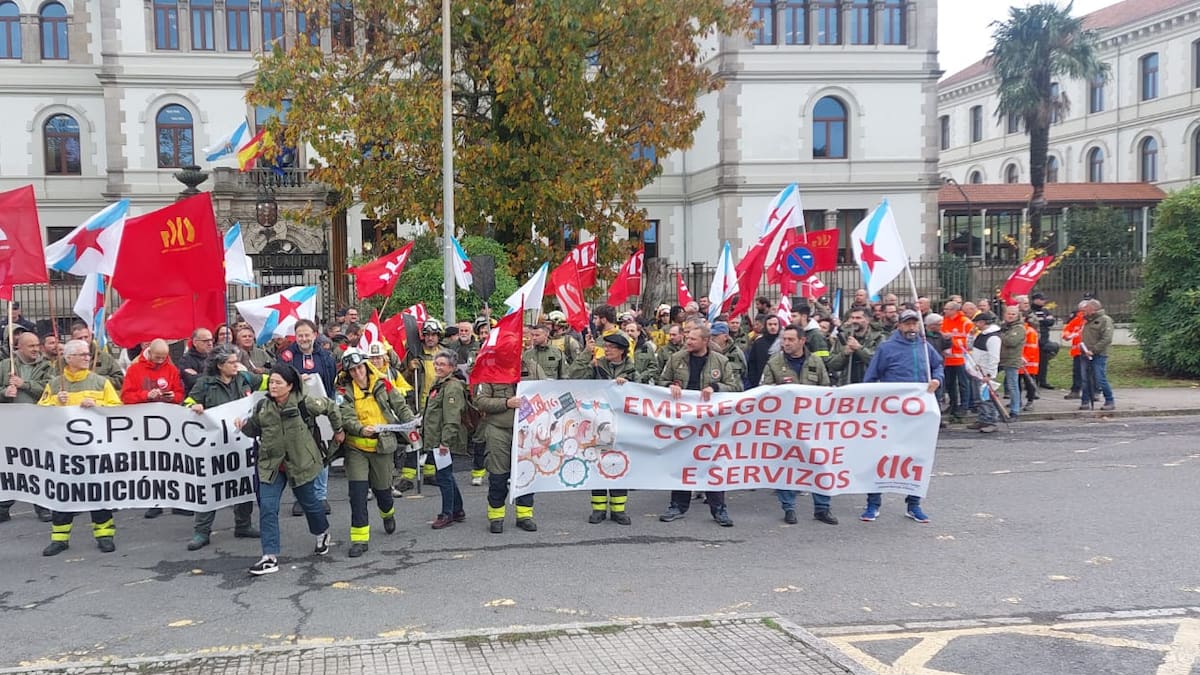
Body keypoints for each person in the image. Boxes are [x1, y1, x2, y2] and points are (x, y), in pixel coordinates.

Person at [237, 363, 344, 576]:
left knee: (310, 504)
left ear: (290, 386)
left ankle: (322, 532)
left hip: (300, 463)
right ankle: (269, 557)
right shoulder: (263, 407)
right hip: (271, 464)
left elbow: (331, 407)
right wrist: (244, 426)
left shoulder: (305, 403)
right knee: (267, 507)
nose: (273, 386)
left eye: (278, 382)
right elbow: (254, 430)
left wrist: (338, 430)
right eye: (272, 382)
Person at [38, 339, 122, 556]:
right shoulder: (56, 384)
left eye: (88, 354)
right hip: (65, 451)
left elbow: (118, 410)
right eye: (83, 354)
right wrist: (56, 402)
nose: (88, 357)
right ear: (69, 358)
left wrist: (98, 406)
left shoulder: (100, 382)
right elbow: (39, 413)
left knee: (98, 493)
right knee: (63, 494)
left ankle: (104, 536)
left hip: (94, 450)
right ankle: (60, 539)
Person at [859, 310, 943, 523]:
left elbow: (938, 366)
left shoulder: (925, 347)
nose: (912, 328)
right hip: (891, 416)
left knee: (917, 458)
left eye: (915, 324)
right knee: (880, 457)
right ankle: (873, 503)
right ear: (899, 326)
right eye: (908, 324)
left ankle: (914, 504)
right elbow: (871, 378)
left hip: (919, 415)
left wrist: (937, 380)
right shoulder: (887, 348)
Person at [183, 344, 266, 549]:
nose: (237, 365)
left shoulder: (244, 379)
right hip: (215, 447)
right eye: (232, 362)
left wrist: (297, 378)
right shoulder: (205, 384)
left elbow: (267, 382)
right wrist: (193, 406)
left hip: (241, 443)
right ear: (220, 365)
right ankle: (202, 531)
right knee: (210, 486)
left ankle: (243, 524)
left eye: (237, 361)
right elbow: (186, 404)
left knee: (243, 483)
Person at [658, 324, 742, 526]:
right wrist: (671, 386)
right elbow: (661, 381)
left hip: (710, 423)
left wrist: (715, 387)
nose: (688, 341)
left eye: (693, 339)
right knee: (682, 462)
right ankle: (677, 505)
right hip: (683, 421)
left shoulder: (720, 362)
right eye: (687, 337)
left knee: (713, 463)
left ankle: (719, 509)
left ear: (705, 341)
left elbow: (735, 387)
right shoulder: (676, 359)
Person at [337, 348, 415, 557]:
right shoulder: (344, 392)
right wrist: (361, 429)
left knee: (383, 492)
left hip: (382, 447)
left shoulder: (383, 383)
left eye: (359, 367)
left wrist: (411, 424)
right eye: (352, 370)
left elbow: (400, 405)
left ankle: (387, 513)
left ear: (366, 366)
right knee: (358, 494)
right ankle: (360, 539)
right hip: (356, 448)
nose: (357, 373)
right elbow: (345, 417)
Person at [759, 325, 838, 526]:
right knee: (787, 465)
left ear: (802, 341)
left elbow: (825, 389)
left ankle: (822, 508)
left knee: (819, 463)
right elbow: (763, 391)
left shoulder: (815, 362)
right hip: (785, 425)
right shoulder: (774, 363)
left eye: (791, 339)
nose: (786, 343)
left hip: (812, 424)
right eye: (784, 339)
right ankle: (789, 508)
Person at [568, 332, 639, 525]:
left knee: (619, 464)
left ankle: (619, 510)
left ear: (622, 351)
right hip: (597, 424)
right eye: (605, 346)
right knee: (597, 464)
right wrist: (585, 359)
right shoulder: (597, 364)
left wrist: (628, 385)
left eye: (611, 347)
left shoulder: (632, 369)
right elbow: (572, 376)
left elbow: (642, 394)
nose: (606, 349)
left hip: (621, 425)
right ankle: (598, 509)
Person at [476, 354, 545, 533]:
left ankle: (524, 516)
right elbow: (480, 401)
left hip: (526, 431)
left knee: (526, 473)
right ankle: (496, 517)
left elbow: (547, 390)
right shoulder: (490, 370)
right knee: (498, 476)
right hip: (499, 429)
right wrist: (506, 402)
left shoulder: (533, 367)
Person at [120, 338, 187, 519]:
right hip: (144, 424)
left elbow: (180, 393)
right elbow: (126, 396)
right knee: (151, 464)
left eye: (163, 358)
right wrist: (146, 395)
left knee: (172, 463)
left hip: (167, 423)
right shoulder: (135, 369)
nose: (160, 361)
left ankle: (176, 501)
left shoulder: (171, 369)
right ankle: (154, 502)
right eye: (157, 357)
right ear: (149, 352)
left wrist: (173, 396)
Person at [279, 319, 338, 516]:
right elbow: (279, 380)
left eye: (307, 335)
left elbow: (330, 384)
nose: (304, 339)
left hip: (320, 412)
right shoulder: (287, 357)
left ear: (315, 335)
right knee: (298, 455)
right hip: (295, 413)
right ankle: (301, 498)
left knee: (322, 453)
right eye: (300, 335)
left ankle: (321, 496)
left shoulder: (325, 357)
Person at [0, 330, 53, 524]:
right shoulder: (5, 366)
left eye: (37, 345)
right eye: (30, 346)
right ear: (18, 347)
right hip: (11, 425)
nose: (35, 349)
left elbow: (50, 388)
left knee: (37, 465)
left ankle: (42, 506)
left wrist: (25, 385)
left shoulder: (46, 366)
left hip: (37, 423)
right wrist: (4, 392)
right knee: (11, 467)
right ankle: (4, 506)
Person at [423, 350, 467, 529]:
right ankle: (457, 509)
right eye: (436, 363)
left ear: (452, 367)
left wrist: (445, 443)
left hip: (443, 441)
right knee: (446, 475)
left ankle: (447, 513)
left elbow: (452, 418)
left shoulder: (452, 387)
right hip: (435, 438)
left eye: (442, 364)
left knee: (444, 477)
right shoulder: (439, 383)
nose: (437, 367)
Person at [966, 312, 1002, 434]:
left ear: (982, 322)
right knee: (980, 398)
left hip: (985, 372)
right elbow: (970, 347)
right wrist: (970, 336)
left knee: (987, 398)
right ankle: (983, 418)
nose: (975, 324)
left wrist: (990, 375)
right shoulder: (981, 335)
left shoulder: (993, 338)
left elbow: (994, 357)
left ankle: (991, 421)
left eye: (976, 322)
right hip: (978, 371)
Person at [826, 308, 882, 386]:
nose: (854, 321)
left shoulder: (879, 337)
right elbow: (832, 365)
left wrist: (859, 348)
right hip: (847, 386)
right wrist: (844, 353)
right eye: (852, 318)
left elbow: (879, 362)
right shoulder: (843, 337)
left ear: (868, 320)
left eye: (858, 318)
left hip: (870, 386)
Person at [1079, 298, 1115, 411]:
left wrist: (1094, 350)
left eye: (1087, 307)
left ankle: (1109, 400)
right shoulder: (1087, 320)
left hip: (1098, 354)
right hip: (1085, 353)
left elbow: (1107, 338)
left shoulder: (1104, 320)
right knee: (1085, 379)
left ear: (1093, 309)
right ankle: (1085, 401)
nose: (1084, 310)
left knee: (1100, 378)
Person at [997, 305, 1025, 420]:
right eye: (1009, 313)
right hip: (999, 358)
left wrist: (1000, 335)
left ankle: (1015, 411)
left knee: (1012, 386)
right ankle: (995, 409)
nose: (1010, 316)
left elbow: (1011, 342)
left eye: (1013, 314)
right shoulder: (1003, 326)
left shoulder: (1019, 328)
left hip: (1012, 359)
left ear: (1017, 315)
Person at [1029, 293, 1058, 388]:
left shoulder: (1045, 310)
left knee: (1043, 361)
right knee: (1032, 363)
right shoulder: (1030, 311)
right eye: (1041, 299)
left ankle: (1042, 381)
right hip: (1032, 340)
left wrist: (1040, 321)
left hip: (1044, 340)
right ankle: (1031, 382)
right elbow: (1032, 322)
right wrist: (1042, 321)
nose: (1043, 301)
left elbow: (1050, 321)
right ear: (1035, 300)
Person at [1061, 303, 1088, 400]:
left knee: (1090, 372)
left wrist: (1074, 334)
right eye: (1081, 310)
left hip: (1089, 350)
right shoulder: (1077, 319)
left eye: (1084, 310)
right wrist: (1067, 335)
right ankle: (1076, 390)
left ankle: (1094, 392)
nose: (1082, 312)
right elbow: (1067, 329)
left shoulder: (1090, 320)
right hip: (1078, 351)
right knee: (1077, 371)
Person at [746, 315, 781, 386]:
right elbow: (752, 363)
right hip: (761, 383)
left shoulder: (784, 342)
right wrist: (754, 382)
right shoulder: (758, 343)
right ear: (765, 326)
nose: (773, 327)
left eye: (775, 324)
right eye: (770, 324)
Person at [177, 328, 214, 394]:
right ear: (195, 342)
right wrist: (213, 374)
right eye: (205, 341)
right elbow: (191, 381)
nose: (210, 343)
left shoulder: (215, 357)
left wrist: (199, 375)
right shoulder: (185, 360)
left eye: (211, 340)